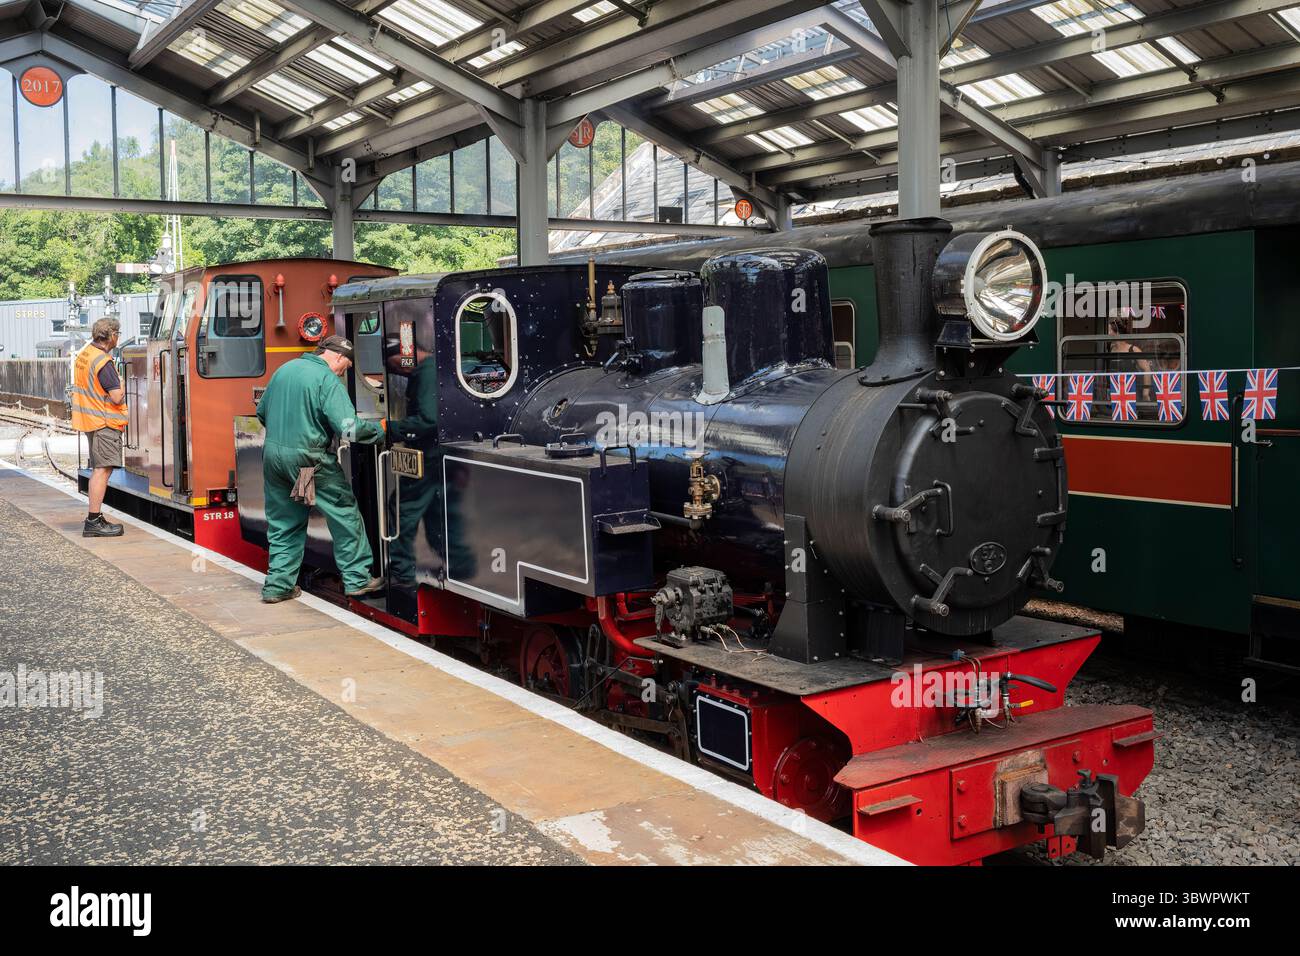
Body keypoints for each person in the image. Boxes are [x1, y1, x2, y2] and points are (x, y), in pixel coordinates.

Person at [256, 334, 387, 604]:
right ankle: (358, 579)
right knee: (343, 513)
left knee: (287, 521)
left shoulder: (285, 369)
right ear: (338, 356)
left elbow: (261, 411)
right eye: (347, 367)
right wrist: (381, 429)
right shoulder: (325, 378)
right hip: (306, 462)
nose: (343, 372)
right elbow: (349, 428)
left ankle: (278, 586)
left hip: (275, 459)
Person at [71, 318, 127, 538]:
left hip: (90, 420)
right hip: (104, 423)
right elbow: (116, 396)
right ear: (111, 335)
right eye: (118, 334)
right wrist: (121, 381)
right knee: (102, 471)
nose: (118, 338)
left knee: (99, 469)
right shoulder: (103, 361)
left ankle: (95, 518)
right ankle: (93, 521)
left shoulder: (84, 355)